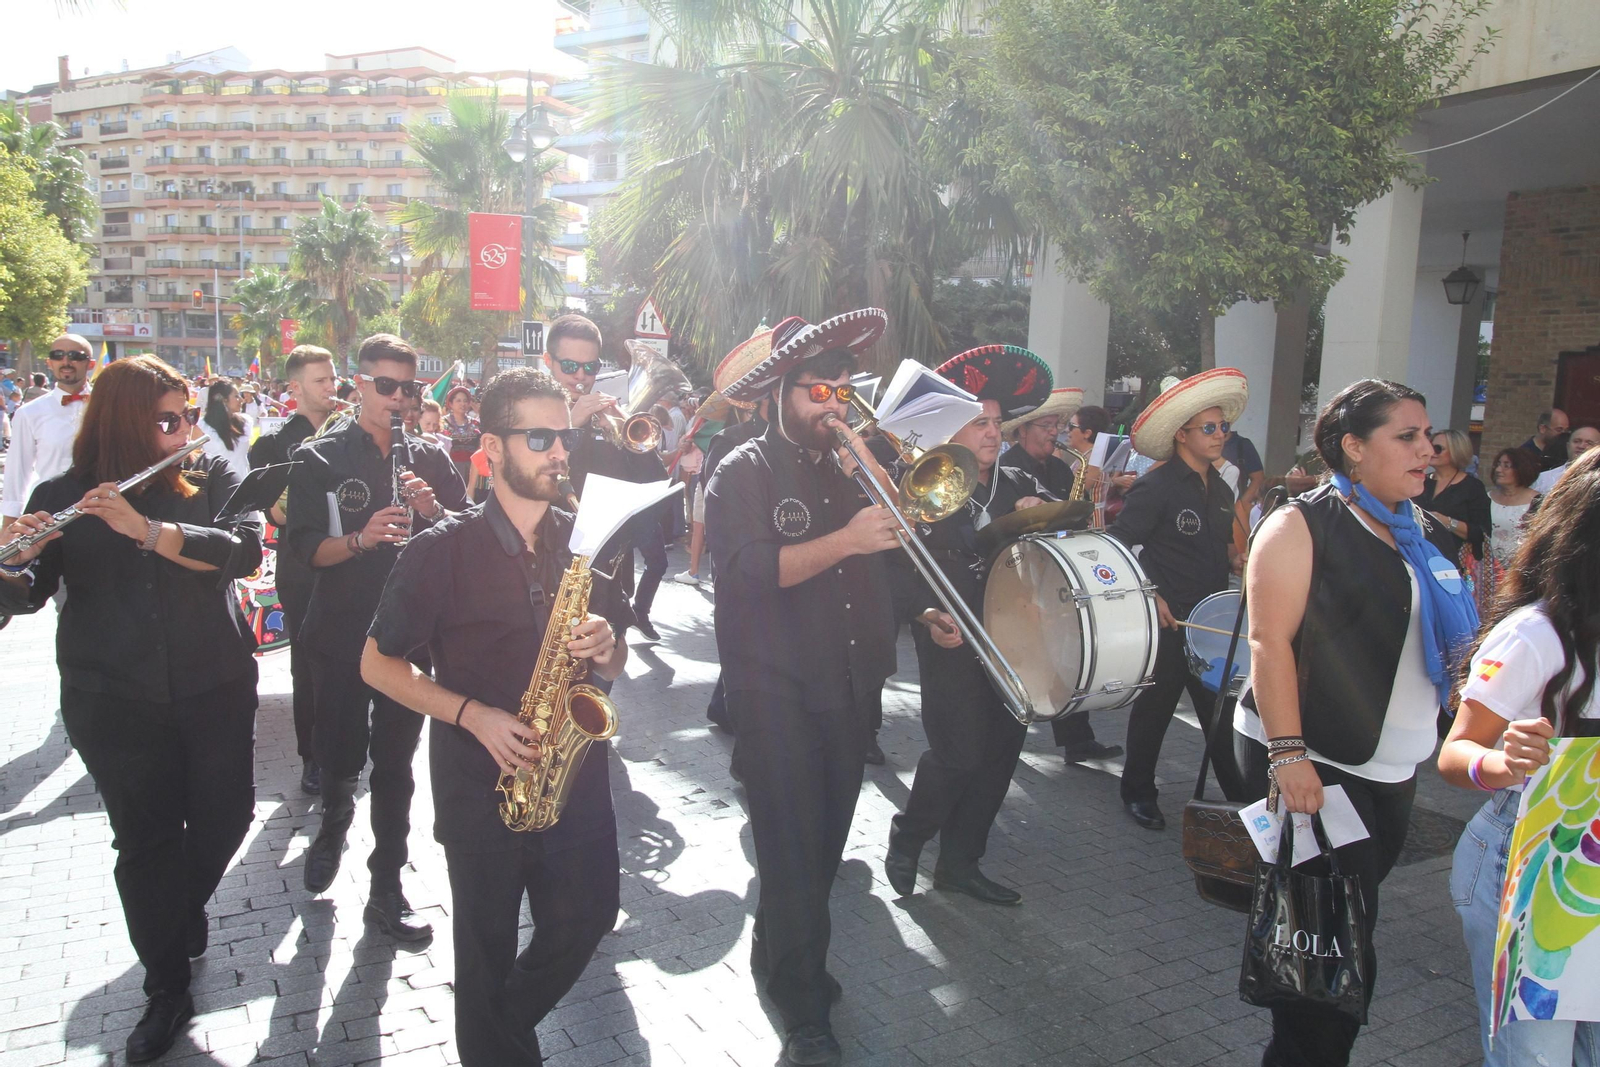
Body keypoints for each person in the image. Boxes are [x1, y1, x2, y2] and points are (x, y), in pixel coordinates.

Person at [361, 367, 631, 1067]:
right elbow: (375, 664)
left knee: (590, 913)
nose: (559, 452)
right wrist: (471, 713)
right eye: (539, 437)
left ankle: (496, 1031)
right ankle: (499, 1044)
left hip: (574, 779)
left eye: (563, 436)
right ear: (492, 446)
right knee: (483, 953)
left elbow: (618, 658)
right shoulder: (438, 550)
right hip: (481, 785)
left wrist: (609, 646)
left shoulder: (587, 538)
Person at [0, 355, 263, 1064]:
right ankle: (166, 985)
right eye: (168, 421)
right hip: (110, 697)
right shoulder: (65, 492)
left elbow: (243, 551)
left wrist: (146, 529)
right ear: (124, 423)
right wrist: (9, 563)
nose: (185, 433)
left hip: (213, 684)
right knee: (145, 842)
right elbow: (24, 599)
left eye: (187, 418)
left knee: (227, 815)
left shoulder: (211, 477)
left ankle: (172, 919)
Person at [1236, 378, 1478, 1066]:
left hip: (1392, 768)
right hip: (1317, 763)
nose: (1427, 449)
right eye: (1406, 435)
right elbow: (1267, 642)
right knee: (1320, 966)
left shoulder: (1420, 529)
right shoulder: (1301, 523)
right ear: (1353, 446)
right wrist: (1289, 755)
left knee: (1342, 935)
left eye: (1427, 435)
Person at [706, 308, 900, 1066]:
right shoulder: (742, 471)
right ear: (783, 392)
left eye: (844, 393)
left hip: (849, 683)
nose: (833, 405)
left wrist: (920, 608)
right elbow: (754, 572)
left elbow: (888, 555)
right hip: (775, 690)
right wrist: (848, 536)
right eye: (819, 390)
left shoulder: (847, 466)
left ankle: (777, 946)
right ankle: (802, 999)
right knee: (789, 849)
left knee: (821, 847)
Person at [285, 334, 468, 938]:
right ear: (357, 384)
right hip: (340, 633)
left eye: (407, 388)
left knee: (396, 763)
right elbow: (308, 550)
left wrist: (434, 514)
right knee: (339, 753)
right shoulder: (320, 457)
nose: (397, 398)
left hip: (407, 640)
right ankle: (334, 821)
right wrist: (362, 538)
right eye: (383, 385)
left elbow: (467, 539)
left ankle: (387, 884)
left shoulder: (432, 457)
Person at [1441, 445, 1600, 1067]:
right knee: (1534, 1057)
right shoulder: (1537, 634)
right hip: (1527, 859)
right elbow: (1456, 756)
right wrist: (1506, 763)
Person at [884, 345, 1055, 908]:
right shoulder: (921, 484)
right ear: (950, 430)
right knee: (957, 754)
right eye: (978, 422)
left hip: (1010, 641)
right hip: (950, 639)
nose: (991, 433)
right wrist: (923, 613)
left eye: (997, 423)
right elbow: (892, 565)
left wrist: (1035, 522)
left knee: (1002, 752)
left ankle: (961, 864)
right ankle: (909, 833)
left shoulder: (1015, 486)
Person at [1111, 370, 1249, 829]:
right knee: (1155, 709)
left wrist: (1241, 561)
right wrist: (1150, 595)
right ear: (1182, 436)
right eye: (1208, 428)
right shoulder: (1157, 486)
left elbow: (1223, 548)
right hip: (1169, 620)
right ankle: (1137, 792)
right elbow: (1120, 545)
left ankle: (1244, 803)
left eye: (1222, 427)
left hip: (1211, 621)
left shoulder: (1224, 488)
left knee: (1220, 713)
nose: (1219, 435)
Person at [248, 344, 341, 795]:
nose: (332, 387)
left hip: (353, 562)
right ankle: (313, 757)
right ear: (295, 387)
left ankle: (347, 749)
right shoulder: (271, 444)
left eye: (333, 378)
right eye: (321, 380)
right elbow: (280, 515)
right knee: (307, 668)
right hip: (304, 569)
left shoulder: (356, 433)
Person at [695, 329, 779, 731]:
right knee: (747, 643)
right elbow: (718, 510)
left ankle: (725, 707)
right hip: (740, 564)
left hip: (777, 569)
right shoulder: (728, 441)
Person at [2, 334, 95, 528]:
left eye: (75, 356)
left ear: (90, 363)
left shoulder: (111, 407)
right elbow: (17, 472)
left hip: (102, 513)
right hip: (49, 516)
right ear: (49, 363)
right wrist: (8, 527)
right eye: (58, 355)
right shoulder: (29, 413)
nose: (66, 361)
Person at [1417, 427, 1490, 562]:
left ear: (1456, 452)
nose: (1431, 451)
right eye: (1430, 446)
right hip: (1418, 557)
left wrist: (1448, 522)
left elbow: (1482, 533)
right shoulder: (1419, 481)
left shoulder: (1472, 487)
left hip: (1452, 562)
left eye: (1438, 448)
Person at [199, 379, 253, 478]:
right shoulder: (201, 426)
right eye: (236, 396)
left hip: (243, 483)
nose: (241, 400)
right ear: (223, 400)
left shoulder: (246, 422)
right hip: (216, 485)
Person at [1532, 424, 1600, 493]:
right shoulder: (1544, 479)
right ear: (1568, 446)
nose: (1581, 446)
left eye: (1589, 443)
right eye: (1577, 441)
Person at [443, 385, 480, 485]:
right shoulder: (442, 423)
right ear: (450, 403)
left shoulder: (476, 424)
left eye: (465, 401)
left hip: (472, 469)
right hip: (450, 468)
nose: (462, 404)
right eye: (458, 401)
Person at [1521, 408, 1570, 473]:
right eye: (1559, 430)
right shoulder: (1525, 455)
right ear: (1543, 428)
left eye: (1566, 430)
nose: (1563, 434)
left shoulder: (1563, 452)